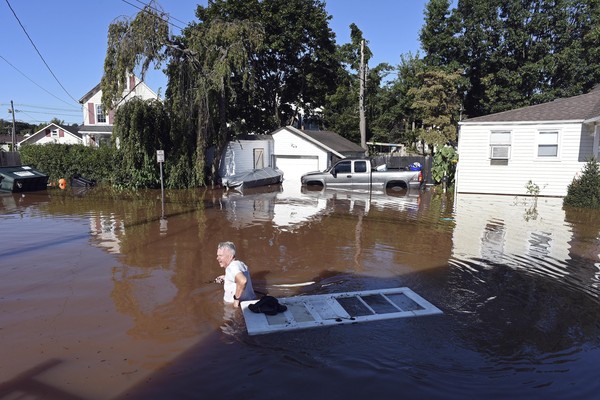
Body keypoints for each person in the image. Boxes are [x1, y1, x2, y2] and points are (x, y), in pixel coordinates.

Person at [214, 241, 255, 308]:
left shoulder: (231, 268)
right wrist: (226, 278)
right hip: (249, 302)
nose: (217, 258)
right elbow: (238, 279)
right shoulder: (241, 264)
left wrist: (236, 300)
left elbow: (242, 281)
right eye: (217, 255)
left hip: (234, 308)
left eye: (220, 256)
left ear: (230, 256)